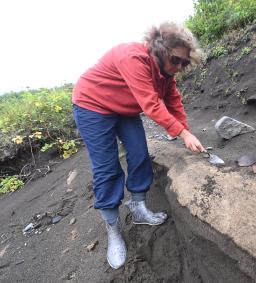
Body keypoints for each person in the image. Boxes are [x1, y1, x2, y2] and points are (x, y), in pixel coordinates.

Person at [72, 22, 205, 269]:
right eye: (176, 60)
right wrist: (182, 134)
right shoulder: (132, 57)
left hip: (124, 108)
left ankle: (139, 206)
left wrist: (185, 131)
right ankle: (113, 229)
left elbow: (172, 101)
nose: (179, 67)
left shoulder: (166, 74)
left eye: (185, 63)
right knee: (107, 167)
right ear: (160, 49)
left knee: (139, 153)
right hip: (92, 105)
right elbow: (152, 105)